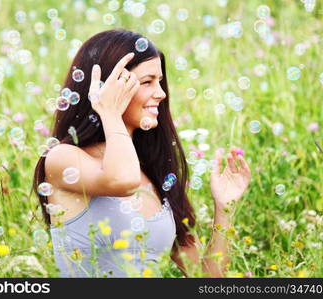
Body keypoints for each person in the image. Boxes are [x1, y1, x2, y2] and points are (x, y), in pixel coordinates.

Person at [32, 29, 251, 278]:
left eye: (159, 81)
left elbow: (206, 280)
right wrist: (110, 112)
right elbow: (122, 181)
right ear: (107, 88)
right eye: (147, 82)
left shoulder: (152, 171)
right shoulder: (63, 157)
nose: (161, 93)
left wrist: (224, 208)